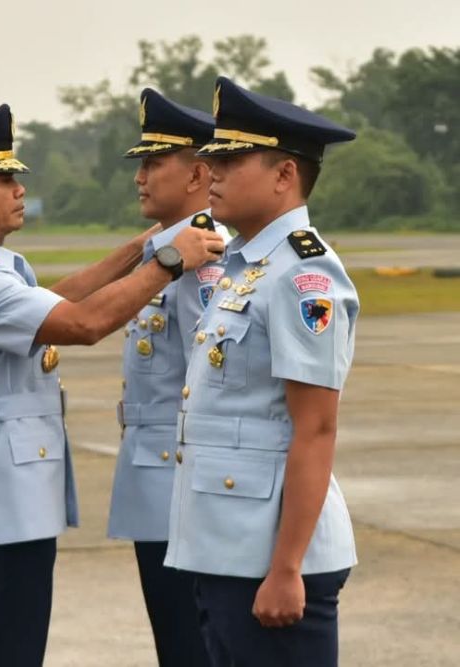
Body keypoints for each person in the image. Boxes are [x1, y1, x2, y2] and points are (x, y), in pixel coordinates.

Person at [0, 104, 225, 666]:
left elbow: (61, 297)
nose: (20, 189)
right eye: (4, 178)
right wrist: (168, 259)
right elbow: (82, 323)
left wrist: (144, 246)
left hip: (7, 501)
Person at [166, 76, 359, 666]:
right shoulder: (245, 267)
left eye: (232, 159)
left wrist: (287, 568)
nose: (213, 173)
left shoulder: (305, 278)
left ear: (285, 175)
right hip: (226, 549)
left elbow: (316, 428)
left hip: (269, 562)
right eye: (212, 159)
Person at [108, 88, 228, 667]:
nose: (141, 177)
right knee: (176, 641)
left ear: (198, 174)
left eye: (154, 163)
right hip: (157, 482)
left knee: (191, 644)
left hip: (183, 490)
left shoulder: (203, 257)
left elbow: (216, 383)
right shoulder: (164, 253)